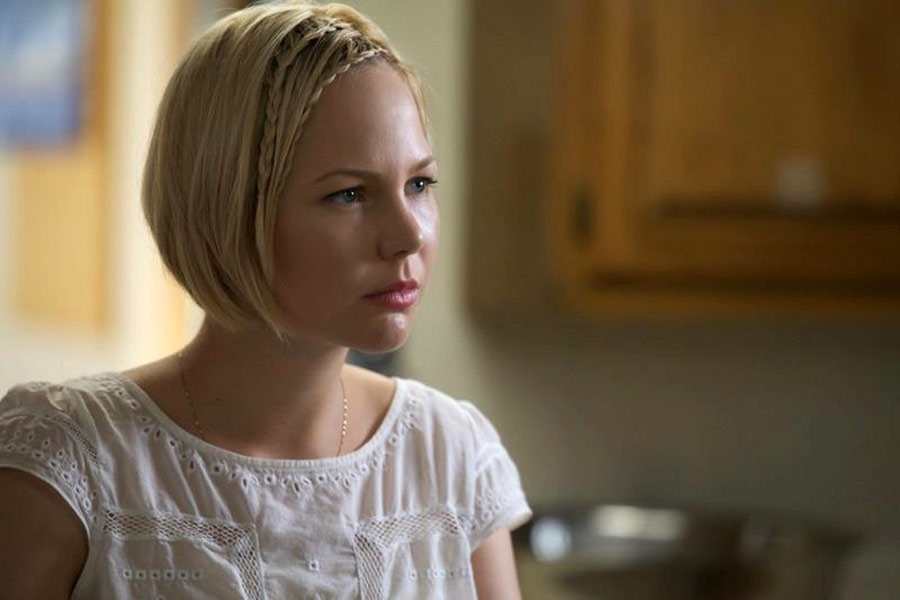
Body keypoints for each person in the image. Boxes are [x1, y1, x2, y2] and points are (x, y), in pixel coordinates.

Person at [0, 2, 531, 598]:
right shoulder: (69, 463)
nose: (409, 234)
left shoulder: (451, 457)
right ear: (226, 205)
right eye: (349, 194)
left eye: (419, 184)